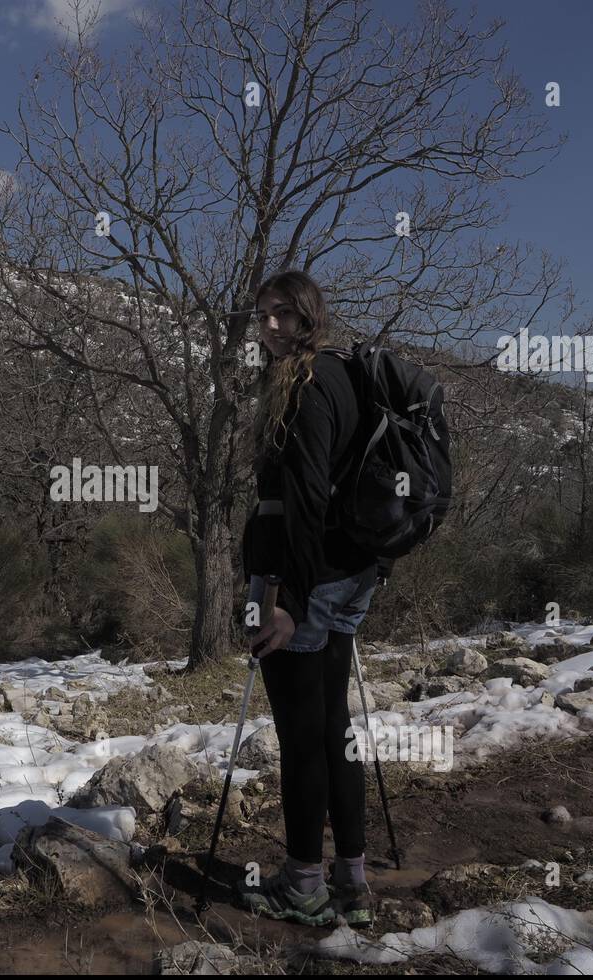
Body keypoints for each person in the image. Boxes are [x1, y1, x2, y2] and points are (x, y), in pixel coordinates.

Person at [237, 269, 381, 928]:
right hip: (349, 574)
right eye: (263, 314)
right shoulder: (345, 376)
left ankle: (302, 884)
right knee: (333, 728)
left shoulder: (306, 387)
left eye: (282, 314)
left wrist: (287, 599)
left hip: (306, 582)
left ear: (307, 316)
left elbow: (307, 498)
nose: (270, 326)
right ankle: (351, 877)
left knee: (302, 736)